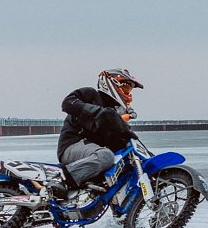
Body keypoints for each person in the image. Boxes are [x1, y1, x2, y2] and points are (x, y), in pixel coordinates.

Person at [50, 68, 143, 199]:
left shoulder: (112, 114)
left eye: (130, 89)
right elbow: (67, 104)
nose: (128, 92)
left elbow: (118, 143)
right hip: (72, 146)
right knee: (106, 156)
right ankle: (62, 181)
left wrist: (123, 129)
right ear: (111, 83)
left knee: (120, 166)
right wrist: (102, 113)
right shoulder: (91, 95)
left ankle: (120, 216)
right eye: (126, 87)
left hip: (92, 152)